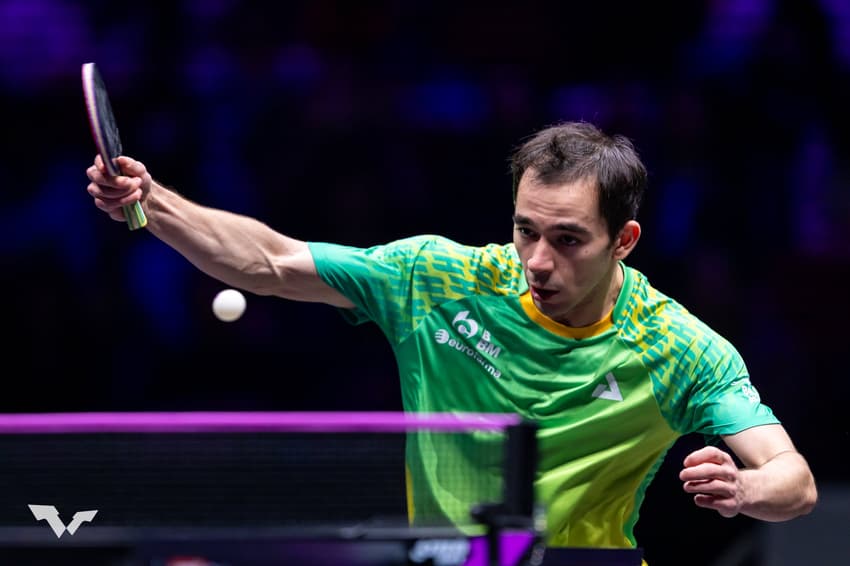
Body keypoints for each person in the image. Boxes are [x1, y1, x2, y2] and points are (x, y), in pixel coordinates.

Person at [85, 120, 817, 555]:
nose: (537, 260)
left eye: (568, 240)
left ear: (624, 240)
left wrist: (745, 486)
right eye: (526, 229)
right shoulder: (437, 279)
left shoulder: (679, 347)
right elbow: (270, 262)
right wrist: (156, 201)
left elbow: (795, 480)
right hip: (441, 562)